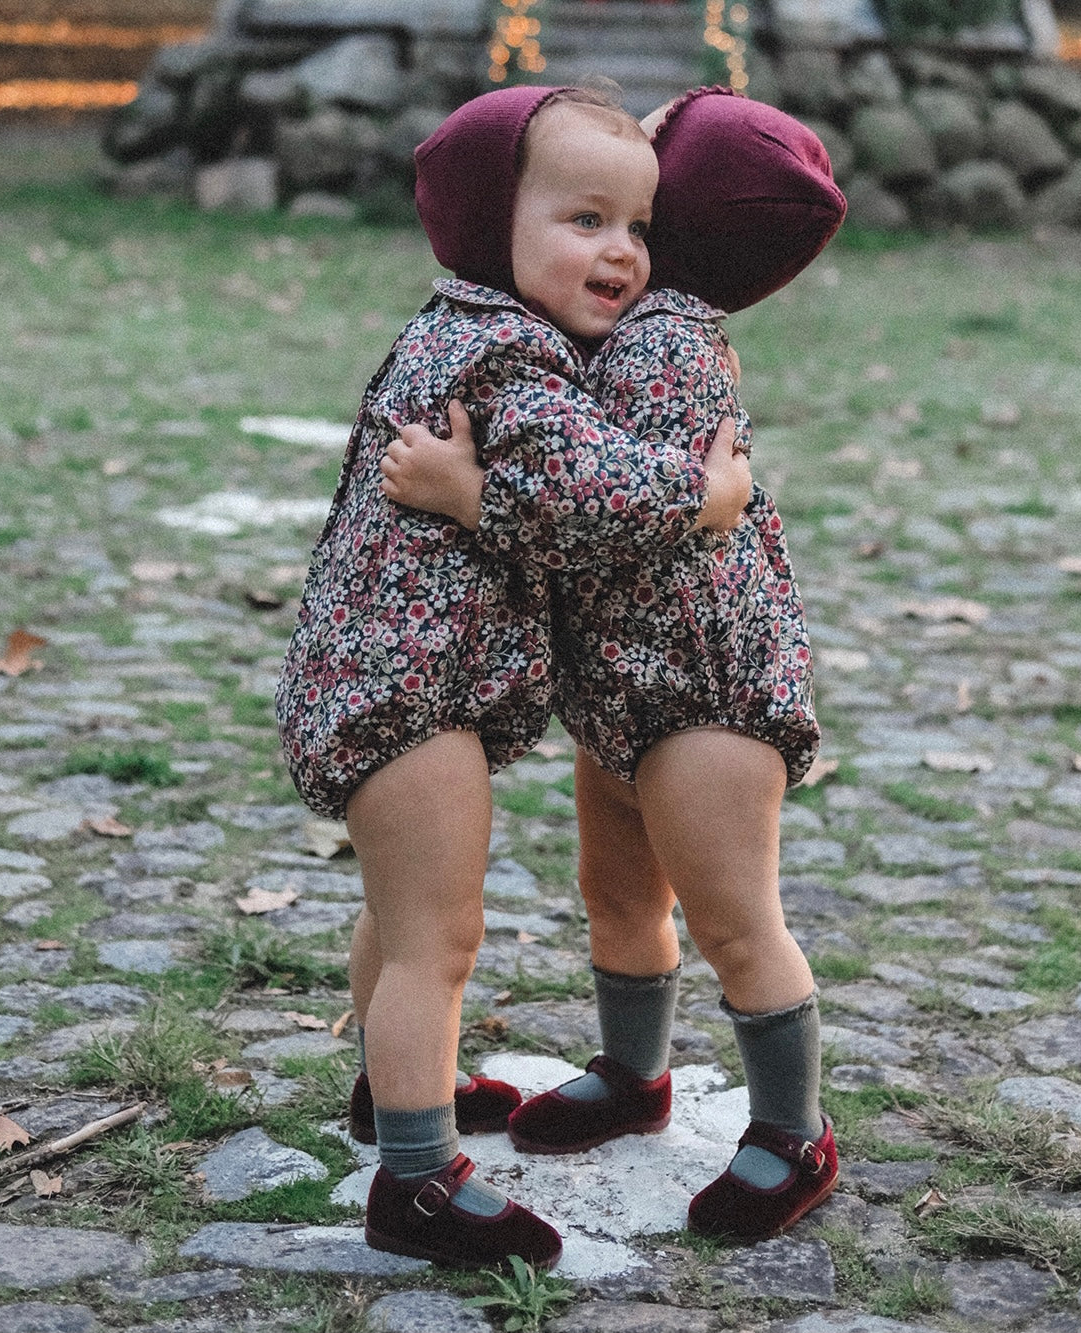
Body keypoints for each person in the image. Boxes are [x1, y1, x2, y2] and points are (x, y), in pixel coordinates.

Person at [276, 84, 751, 1270]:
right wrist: (708, 497)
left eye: (636, 227)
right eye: (584, 220)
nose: (622, 253)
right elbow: (588, 499)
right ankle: (418, 1185)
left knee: (398, 915)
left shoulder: (466, 325)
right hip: (410, 685)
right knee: (440, 933)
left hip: (376, 674)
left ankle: (393, 1097)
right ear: (496, 224)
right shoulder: (506, 350)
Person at [380, 87, 847, 1242]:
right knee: (620, 892)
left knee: (737, 918)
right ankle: (637, 1075)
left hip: (703, 691)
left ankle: (793, 1130)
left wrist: (469, 494)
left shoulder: (667, 346)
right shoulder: (618, 329)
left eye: (642, 207)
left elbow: (595, 507)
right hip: (625, 679)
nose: (620, 244)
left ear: (679, 214)